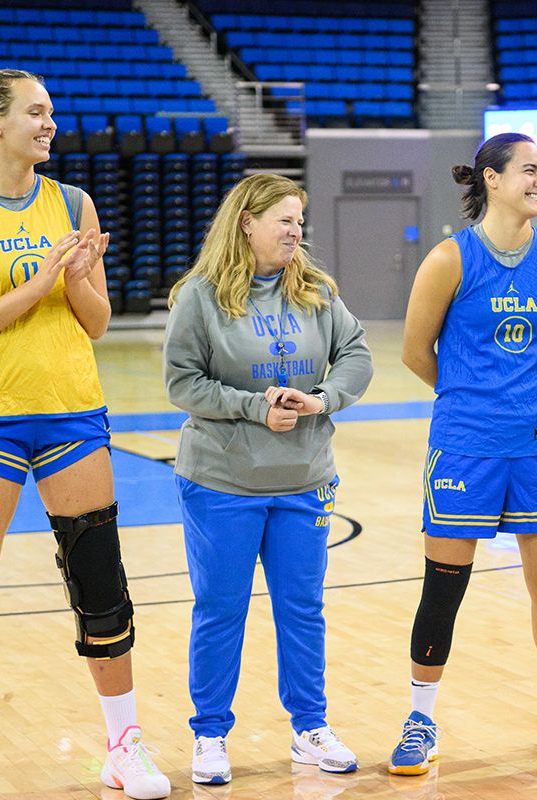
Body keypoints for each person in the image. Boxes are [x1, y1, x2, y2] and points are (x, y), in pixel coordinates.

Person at [0, 69, 170, 800]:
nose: (50, 122)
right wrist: (36, 284)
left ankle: (124, 745)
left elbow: (97, 321)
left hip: (72, 415)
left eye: (52, 111)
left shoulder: (73, 203)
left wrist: (77, 278)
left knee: (101, 584)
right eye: (36, 111)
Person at [385, 132, 537, 777]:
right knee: (443, 589)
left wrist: (517, 400)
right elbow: (415, 351)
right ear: (491, 178)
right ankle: (420, 720)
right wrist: (471, 399)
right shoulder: (448, 260)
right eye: (528, 170)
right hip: (465, 448)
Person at [164, 173, 373, 783]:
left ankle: (310, 727)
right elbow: (183, 383)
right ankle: (209, 734)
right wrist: (256, 407)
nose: (296, 231)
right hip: (222, 481)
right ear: (247, 223)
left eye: (299, 221)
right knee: (221, 609)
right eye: (284, 219)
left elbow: (356, 354)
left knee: (303, 608)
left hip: (304, 479)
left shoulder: (317, 292)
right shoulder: (200, 296)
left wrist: (322, 399)